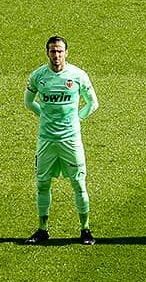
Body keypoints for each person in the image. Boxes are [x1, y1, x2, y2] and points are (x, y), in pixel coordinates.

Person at [23, 36, 98, 244]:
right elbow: (28, 102)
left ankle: (85, 229)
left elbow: (93, 104)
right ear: (47, 53)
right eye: (52, 51)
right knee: (42, 184)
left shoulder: (78, 76)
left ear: (66, 53)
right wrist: (44, 115)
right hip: (46, 140)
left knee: (79, 184)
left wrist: (77, 118)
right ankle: (42, 229)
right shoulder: (38, 76)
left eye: (59, 51)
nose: (56, 55)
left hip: (71, 140)